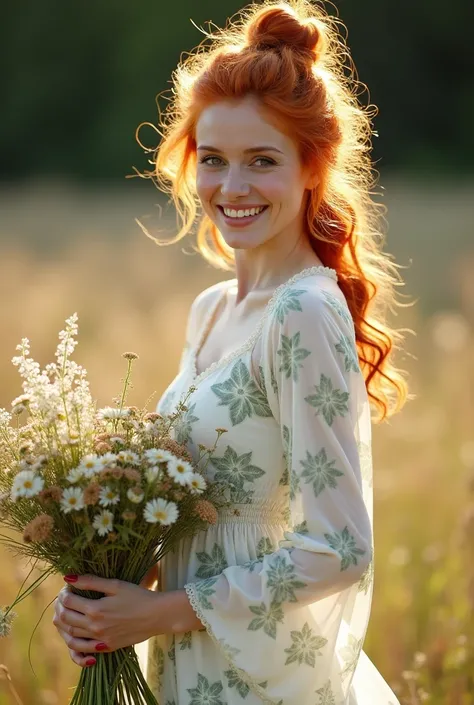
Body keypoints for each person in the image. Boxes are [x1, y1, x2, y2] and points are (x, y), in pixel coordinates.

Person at [53, 1, 409, 702]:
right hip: (189, 659)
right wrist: (110, 587)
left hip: (261, 672)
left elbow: (339, 546)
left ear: (313, 168)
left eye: (262, 161)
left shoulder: (302, 312)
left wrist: (159, 613)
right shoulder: (212, 309)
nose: (231, 187)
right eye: (212, 159)